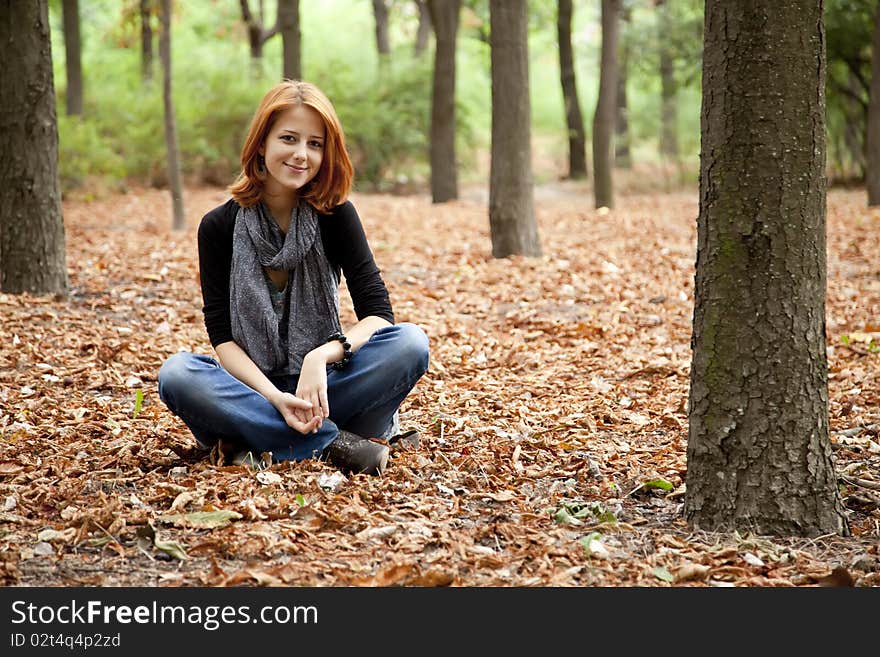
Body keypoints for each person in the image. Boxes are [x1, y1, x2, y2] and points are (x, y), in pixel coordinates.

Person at [157, 80, 429, 475]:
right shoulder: (219, 227)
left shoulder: (335, 216)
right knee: (178, 374)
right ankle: (333, 444)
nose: (302, 155)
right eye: (289, 138)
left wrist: (320, 357)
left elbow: (377, 312)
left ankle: (256, 445)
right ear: (261, 143)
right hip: (253, 393)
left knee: (410, 343)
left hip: (326, 390)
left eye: (315, 144)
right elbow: (222, 337)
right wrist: (274, 398)